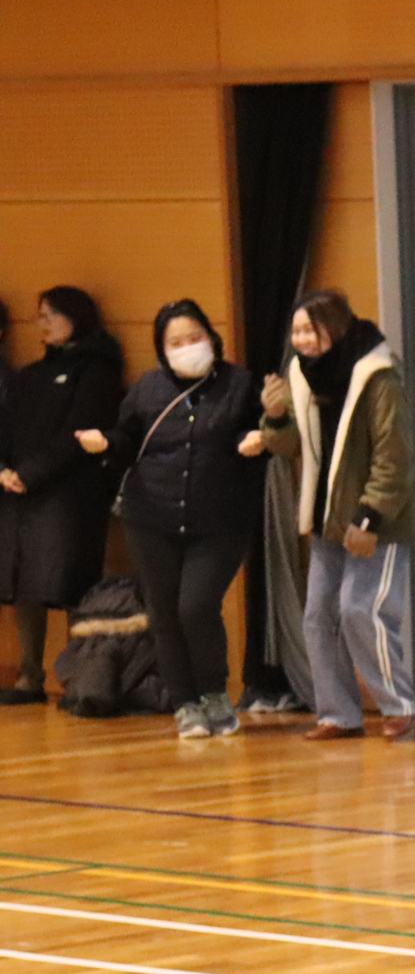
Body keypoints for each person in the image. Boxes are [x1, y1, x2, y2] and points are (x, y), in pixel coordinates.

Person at [77, 300, 264, 739]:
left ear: (212, 337)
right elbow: (128, 439)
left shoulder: (240, 384)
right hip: (151, 517)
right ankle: (185, 704)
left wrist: (258, 439)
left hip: (220, 519)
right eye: (175, 342)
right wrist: (105, 442)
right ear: (162, 349)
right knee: (164, 613)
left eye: (194, 337)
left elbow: (262, 432)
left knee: (196, 607)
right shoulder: (148, 388)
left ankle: (214, 693)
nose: (187, 347)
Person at [255, 290, 415, 741]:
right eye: (296, 331)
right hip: (327, 517)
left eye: (310, 329)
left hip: (375, 520)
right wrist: (274, 417)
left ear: (336, 327)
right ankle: (338, 714)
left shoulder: (378, 376)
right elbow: (292, 447)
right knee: (318, 617)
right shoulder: (303, 374)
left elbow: (394, 457)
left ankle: (399, 705)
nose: (301, 340)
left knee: (360, 609)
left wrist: (368, 519)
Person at [0, 288, 123, 705]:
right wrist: (5, 470)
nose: (44, 323)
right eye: (39, 316)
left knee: (72, 581)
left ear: (77, 316)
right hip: (20, 488)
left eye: (52, 315)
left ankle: (81, 678)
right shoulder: (31, 374)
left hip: (71, 491)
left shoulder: (99, 370)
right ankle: (29, 676)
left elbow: (80, 430)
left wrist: (32, 473)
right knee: (23, 580)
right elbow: (6, 425)